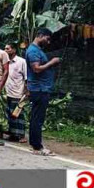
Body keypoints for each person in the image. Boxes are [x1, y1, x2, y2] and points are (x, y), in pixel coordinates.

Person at [25, 28, 61, 156]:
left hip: (40, 88)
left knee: (36, 117)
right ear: (40, 36)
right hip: (39, 89)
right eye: (47, 38)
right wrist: (52, 62)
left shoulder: (37, 50)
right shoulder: (33, 51)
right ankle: (37, 146)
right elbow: (36, 69)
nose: (48, 42)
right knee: (37, 118)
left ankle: (35, 144)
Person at [4, 43, 28, 143]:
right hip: (7, 92)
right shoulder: (5, 62)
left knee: (19, 115)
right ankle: (12, 135)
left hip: (18, 92)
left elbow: (26, 77)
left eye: (8, 49)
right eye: (5, 49)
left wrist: (26, 91)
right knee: (9, 115)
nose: (6, 51)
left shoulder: (22, 62)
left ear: (14, 50)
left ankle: (21, 135)